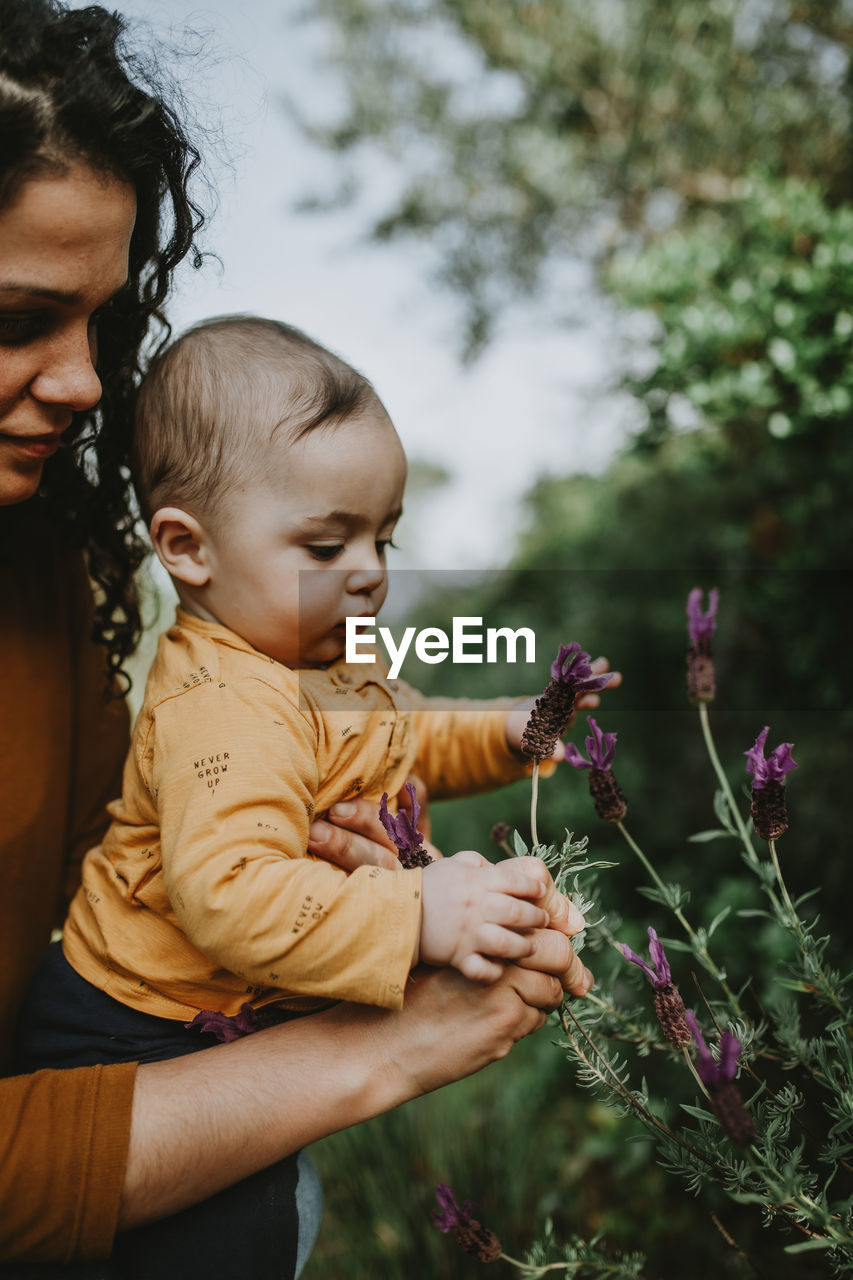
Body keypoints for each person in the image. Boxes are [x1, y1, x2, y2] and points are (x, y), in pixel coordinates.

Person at [0, 1, 593, 1274]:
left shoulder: (84, 569)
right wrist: (412, 929)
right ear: (191, 549)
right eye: (17, 320)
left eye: (102, 327)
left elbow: (388, 746)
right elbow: (224, 890)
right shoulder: (226, 693)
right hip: (127, 1045)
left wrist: (516, 734)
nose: (90, 382)